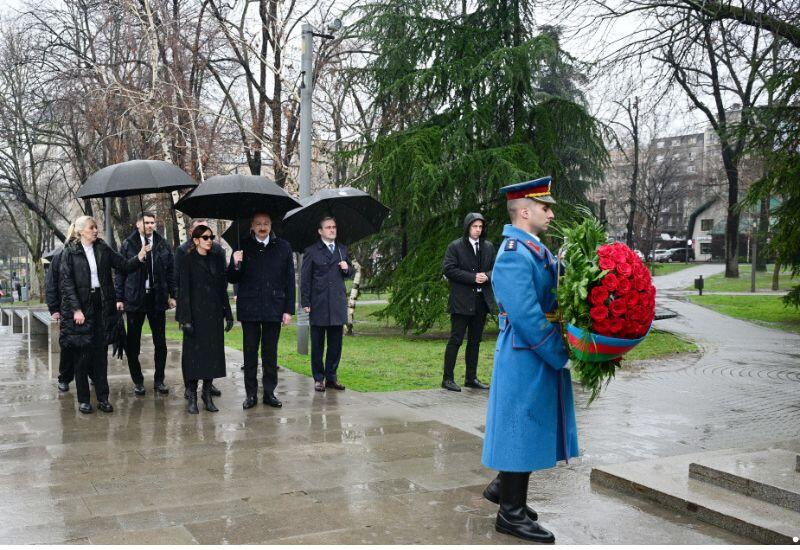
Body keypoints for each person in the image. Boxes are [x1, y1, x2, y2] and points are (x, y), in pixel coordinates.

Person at [480, 177, 578, 543]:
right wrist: (559, 353)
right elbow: (527, 316)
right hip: (526, 353)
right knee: (520, 428)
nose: (550, 213)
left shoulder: (534, 249)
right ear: (524, 211)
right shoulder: (512, 254)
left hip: (532, 354)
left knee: (528, 426)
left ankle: (504, 490)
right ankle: (511, 514)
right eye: (544, 207)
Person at [59, 215, 149, 414]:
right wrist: (76, 310)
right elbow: (66, 284)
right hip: (81, 307)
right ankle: (84, 400)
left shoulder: (102, 248)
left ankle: (103, 398)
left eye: (96, 227)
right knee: (82, 356)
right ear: (81, 231)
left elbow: (124, 265)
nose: (95, 230)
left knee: (100, 355)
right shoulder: (70, 252)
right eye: (91, 228)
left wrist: (141, 255)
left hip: (102, 304)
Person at [227, 213, 295, 410]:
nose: (262, 227)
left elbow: (289, 280)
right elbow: (232, 278)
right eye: (258, 224)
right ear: (252, 226)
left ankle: (269, 393)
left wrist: (288, 310)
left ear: (271, 225)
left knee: (270, 353)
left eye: (266, 223)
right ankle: (250, 395)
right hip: (250, 307)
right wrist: (235, 262)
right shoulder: (242, 245)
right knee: (250, 353)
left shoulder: (283, 246)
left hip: (274, 306)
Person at [115, 211, 177, 396]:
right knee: (133, 344)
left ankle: (159, 380)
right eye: (146, 222)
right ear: (138, 224)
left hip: (157, 298)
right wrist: (119, 298)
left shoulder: (162, 243)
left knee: (161, 343)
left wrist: (173, 295)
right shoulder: (128, 244)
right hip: (135, 298)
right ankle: (138, 381)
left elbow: (170, 271)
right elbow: (120, 272)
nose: (150, 226)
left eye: (152, 222)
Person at [176, 224, 234, 414]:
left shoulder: (216, 257)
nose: (209, 240)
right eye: (205, 237)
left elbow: (221, 287)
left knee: (212, 357)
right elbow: (183, 290)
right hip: (194, 314)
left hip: (213, 314)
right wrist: (185, 319)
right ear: (196, 240)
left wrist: (228, 313)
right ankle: (192, 395)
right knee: (194, 358)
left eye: (211, 237)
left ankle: (207, 394)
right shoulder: (187, 258)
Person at [441, 212, 497, 392]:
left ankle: (471, 378)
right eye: (475, 226)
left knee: (475, 341)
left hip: (481, 302)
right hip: (461, 301)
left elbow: (496, 269)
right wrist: (473, 277)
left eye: (480, 227)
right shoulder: (455, 246)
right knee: (455, 339)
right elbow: (449, 269)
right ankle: (447, 379)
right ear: (467, 227)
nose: (478, 230)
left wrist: (486, 276)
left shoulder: (488, 246)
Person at [300, 216, 352, 392]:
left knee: (335, 344)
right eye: (328, 227)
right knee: (317, 343)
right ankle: (319, 378)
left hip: (337, 303)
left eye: (334, 227)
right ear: (320, 231)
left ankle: (332, 376)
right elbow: (305, 279)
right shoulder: (312, 251)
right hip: (319, 303)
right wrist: (305, 301)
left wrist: (346, 268)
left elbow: (348, 274)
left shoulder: (342, 249)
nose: (332, 230)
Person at [46, 225, 81, 392]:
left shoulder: (91, 252)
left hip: (86, 306)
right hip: (66, 307)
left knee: (89, 344)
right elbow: (51, 283)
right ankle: (65, 377)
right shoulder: (61, 255)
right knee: (67, 344)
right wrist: (54, 309)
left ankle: (90, 373)